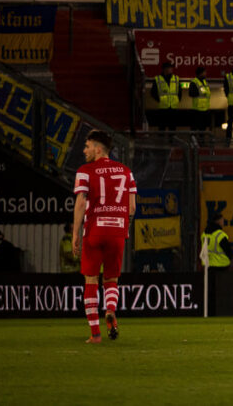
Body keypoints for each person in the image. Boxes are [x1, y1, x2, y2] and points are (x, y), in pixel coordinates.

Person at [72, 130, 136, 343]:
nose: (84, 150)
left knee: (91, 280)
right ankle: (110, 309)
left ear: (98, 149)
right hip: (117, 230)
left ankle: (95, 334)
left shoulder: (84, 171)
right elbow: (132, 208)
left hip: (95, 230)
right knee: (111, 279)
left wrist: (75, 234)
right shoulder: (127, 172)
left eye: (87, 146)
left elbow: (81, 203)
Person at [202, 214, 232, 306]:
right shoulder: (220, 235)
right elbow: (228, 250)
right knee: (222, 292)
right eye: (223, 220)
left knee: (210, 292)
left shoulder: (204, 234)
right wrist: (232, 257)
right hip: (221, 267)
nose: (224, 223)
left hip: (208, 266)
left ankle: (210, 311)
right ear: (218, 221)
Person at [149, 61, 181, 130]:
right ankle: (161, 140)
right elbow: (153, 92)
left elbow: (179, 91)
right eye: (170, 68)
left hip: (173, 106)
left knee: (172, 127)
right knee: (162, 126)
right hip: (163, 107)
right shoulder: (158, 79)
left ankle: (171, 140)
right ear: (165, 69)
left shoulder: (176, 78)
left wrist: (178, 100)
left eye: (171, 68)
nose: (171, 69)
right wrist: (160, 100)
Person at [188, 66, 213, 133]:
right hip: (197, 110)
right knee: (195, 128)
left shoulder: (205, 82)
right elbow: (191, 93)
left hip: (205, 109)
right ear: (200, 73)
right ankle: (194, 141)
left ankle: (201, 142)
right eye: (204, 72)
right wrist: (200, 92)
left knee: (203, 128)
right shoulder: (194, 82)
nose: (206, 74)